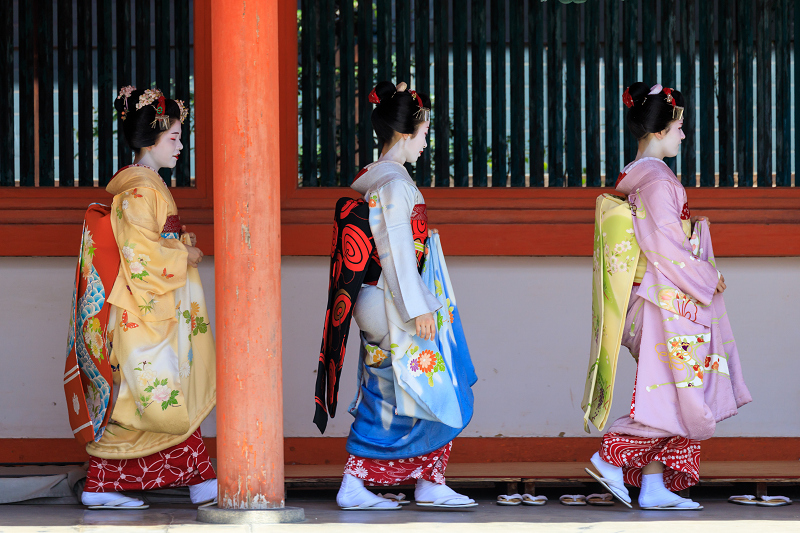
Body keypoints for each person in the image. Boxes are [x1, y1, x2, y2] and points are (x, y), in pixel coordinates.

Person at [582, 83, 751, 510]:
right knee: (681, 394)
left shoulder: (638, 174)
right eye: (679, 126)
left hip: (649, 297)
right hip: (661, 300)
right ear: (659, 131)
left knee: (668, 389)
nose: (683, 135)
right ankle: (610, 458)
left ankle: (654, 485)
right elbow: (663, 245)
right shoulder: (657, 180)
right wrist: (705, 274)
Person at [313, 81, 478, 510]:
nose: (426, 144)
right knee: (430, 387)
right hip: (393, 302)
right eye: (424, 134)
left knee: (396, 391)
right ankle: (359, 482)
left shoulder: (382, 180)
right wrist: (417, 307)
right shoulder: (394, 185)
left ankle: (425, 480)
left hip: (378, 300)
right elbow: (397, 251)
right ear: (405, 134)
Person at [65, 86, 217, 509]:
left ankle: (200, 479)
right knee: (146, 396)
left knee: (159, 393)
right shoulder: (138, 191)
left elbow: (150, 242)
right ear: (151, 139)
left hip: (150, 308)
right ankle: (105, 484)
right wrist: (182, 251)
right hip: (143, 312)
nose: (181, 145)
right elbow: (141, 253)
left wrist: (177, 243)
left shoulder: (144, 187)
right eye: (174, 138)